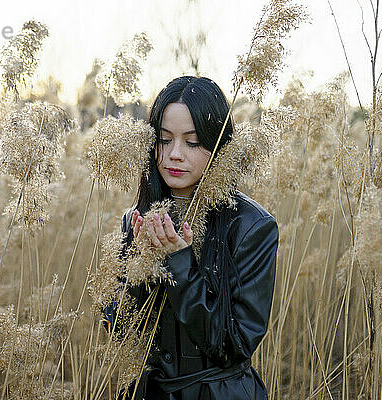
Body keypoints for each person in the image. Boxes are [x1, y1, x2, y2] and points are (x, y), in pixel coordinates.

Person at [114, 76, 279, 400]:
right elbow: (122, 329)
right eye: (164, 139)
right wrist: (141, 267)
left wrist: (178, 263)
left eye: (192, 142)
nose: (175, 154)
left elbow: (234, 345)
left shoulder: (251, 227)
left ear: (218, 145)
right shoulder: (137, 219)